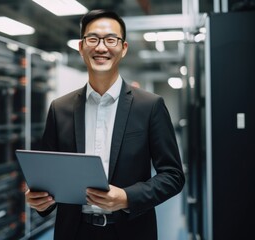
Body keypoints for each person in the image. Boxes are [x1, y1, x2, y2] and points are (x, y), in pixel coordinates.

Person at [25, 9, 185, 240]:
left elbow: (173, 176)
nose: (101, 48)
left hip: (130, 231)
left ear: (123, 48)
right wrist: (40, 201)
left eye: (111, 40)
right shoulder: (60, 109)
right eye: (93, 39)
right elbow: (50, 179)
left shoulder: (150, 106)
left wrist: (127, 197)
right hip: (74, 232)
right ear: (81, 47)